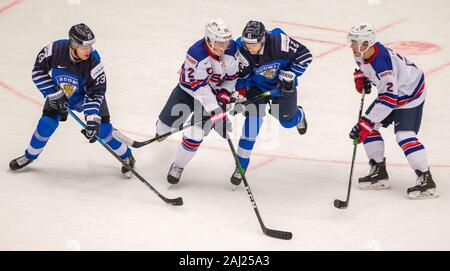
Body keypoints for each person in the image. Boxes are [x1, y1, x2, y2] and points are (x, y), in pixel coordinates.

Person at [9, 23, 135, 178]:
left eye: (90, 46)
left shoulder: (94, 62)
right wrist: (54, 93)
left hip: (86, 96)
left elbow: (96, 92)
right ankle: (29, 155)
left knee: (103, 131)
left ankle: (127, 156)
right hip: (60, 92)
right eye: (84, 47)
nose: (88, 50)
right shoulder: (54, 50)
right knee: (45, 125)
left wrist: (91, 120)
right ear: (73, 45)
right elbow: (38, 72)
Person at [348, 23, 437, 199]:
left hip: (410, 94)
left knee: (403, 135)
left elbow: (390, 99)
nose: (351, 45)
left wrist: (366, 122)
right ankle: (379, 171)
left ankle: (426, 180)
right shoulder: (361, 53)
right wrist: (362, 77)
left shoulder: (382, 64)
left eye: (354, 42)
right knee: (368, 127)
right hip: (393, 92)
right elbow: (369, 71)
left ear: (366, 43)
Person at [154, 18, 240, 184]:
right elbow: (199, 87)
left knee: (195, 134)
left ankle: (178, 165)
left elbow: (231, 78)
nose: (224, 47)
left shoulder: (232, 51)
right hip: (187, 91)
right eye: (220, 43)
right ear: (209, 40)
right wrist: (216, 111)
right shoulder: (196, 54)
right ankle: (161, 130)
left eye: (226, 42)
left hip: (212, 96)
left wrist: (223, 96)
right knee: (163, 128)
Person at [230, 21, 312, 186]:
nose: (249, 47)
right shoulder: (240, 48)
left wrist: (290, 75)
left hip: (282, 87)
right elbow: (241, 76)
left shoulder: (278, 41)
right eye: (247, 43)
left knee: (287, 121)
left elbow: (305, 56)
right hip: (256, 88)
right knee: (252, 123)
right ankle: (241, 166)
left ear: (263, 40)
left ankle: (299, 115)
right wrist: (241, 95)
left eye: (253, 44)